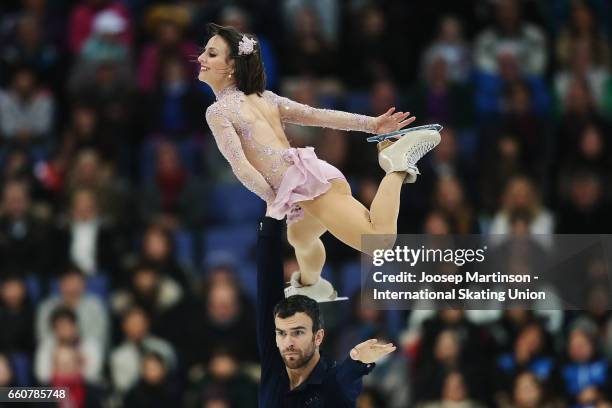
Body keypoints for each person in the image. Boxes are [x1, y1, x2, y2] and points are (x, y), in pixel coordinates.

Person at [200, 23, 440, 301]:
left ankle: (396, 165)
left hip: (305, 185)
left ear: (232, 66)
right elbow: (318, 115)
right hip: (308, 181)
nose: (202, 59)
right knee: (300, 237)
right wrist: (371, 124)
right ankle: (310, 282)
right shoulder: (264, 98)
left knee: (380, 242)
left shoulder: (218, 112)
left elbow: (240, 165)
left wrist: (273, 203)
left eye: (212, 54)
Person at [256, 216, 396, 406]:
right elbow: (267, 291)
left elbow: (344, 380)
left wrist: (357, 361)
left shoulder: (333, 383)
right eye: (281, 333)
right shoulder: (275, 365)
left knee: (302, 237)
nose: (288, 342)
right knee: (300, 237)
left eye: (298, 332)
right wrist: (271, 219)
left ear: (318, 337)